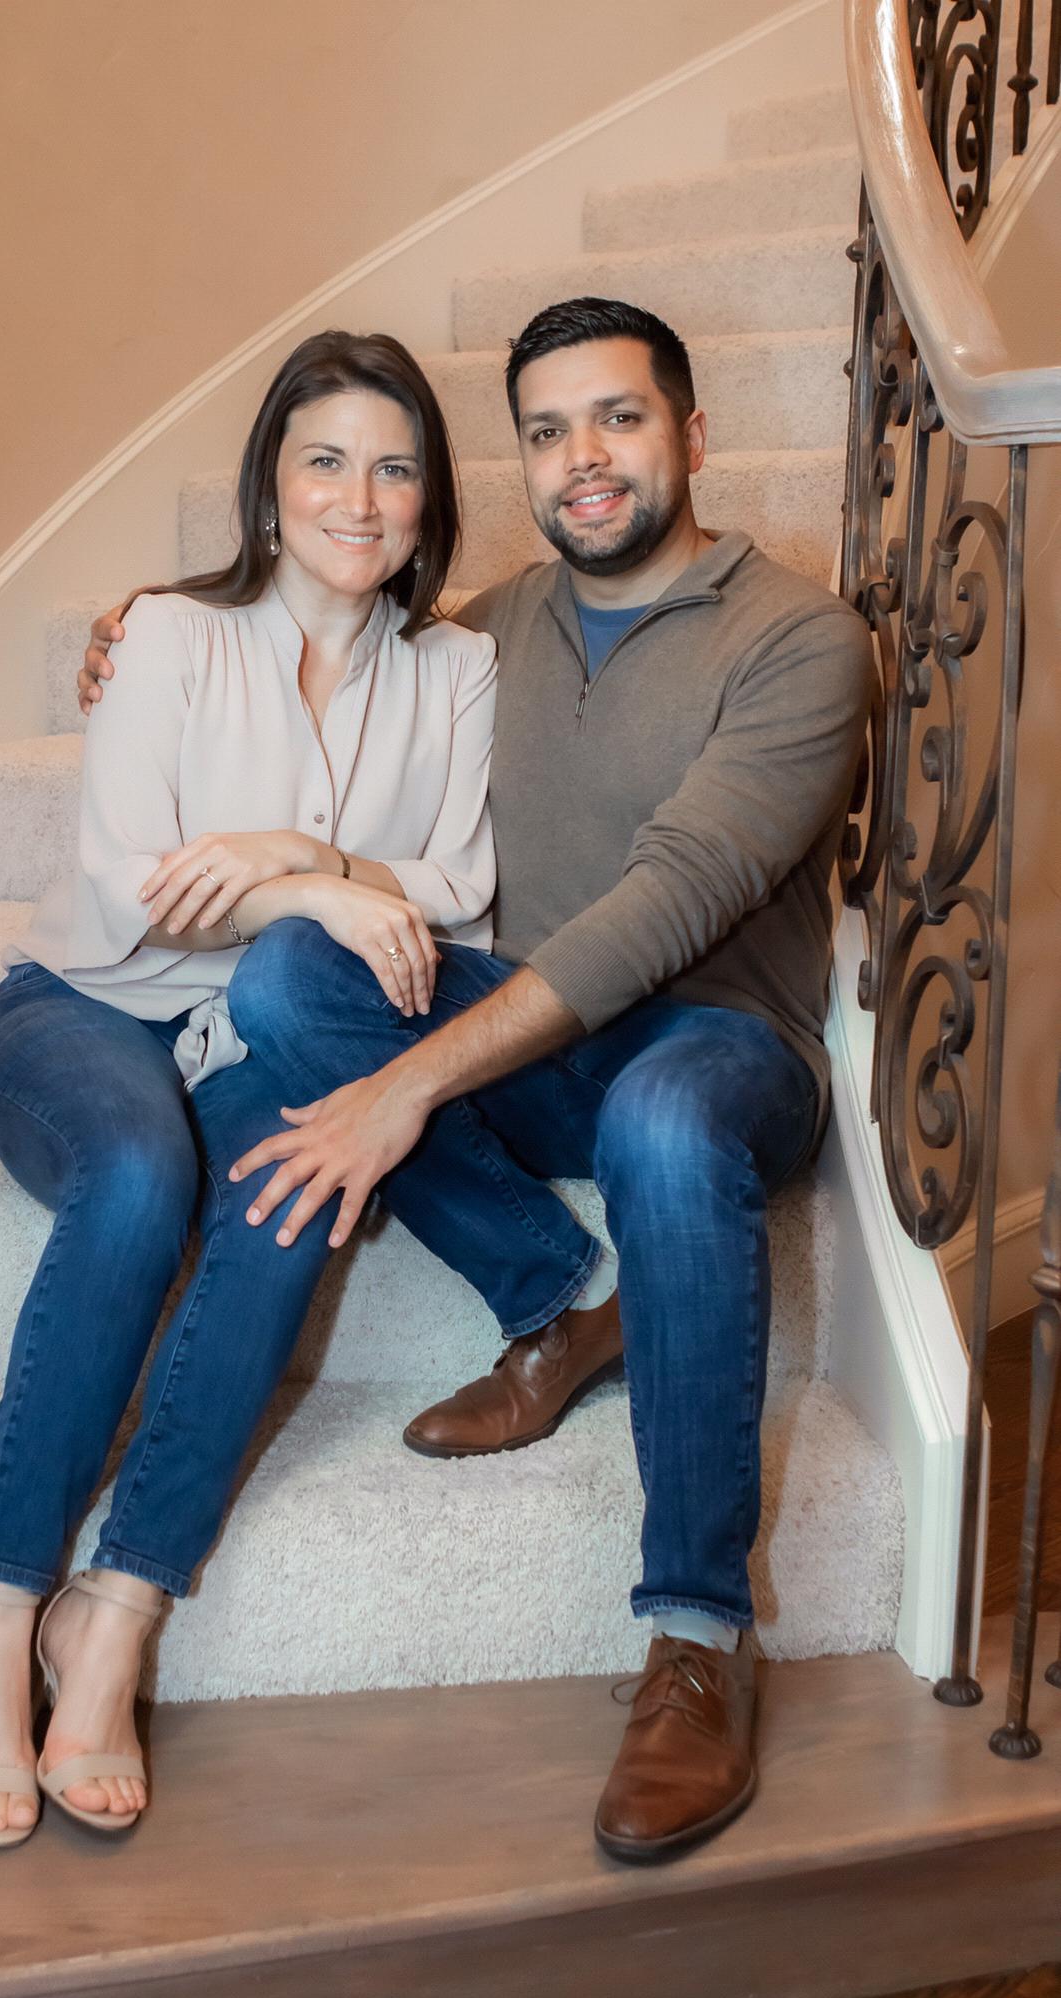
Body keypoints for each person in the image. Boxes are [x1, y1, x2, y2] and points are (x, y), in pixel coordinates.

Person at [80, 297, 873, 1863]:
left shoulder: (802, 640)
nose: (585, 459)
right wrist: (156, 617)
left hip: (721, 1046)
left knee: (660, 1119)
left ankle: (697, 1637)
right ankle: (560, 1303)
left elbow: (666, 905)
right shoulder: (492, 628)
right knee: (292, 976)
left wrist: (406, 1092)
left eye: (620, 417)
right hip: (541, 1032)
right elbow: (320, 607)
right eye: (547, 431)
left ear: (690, 433)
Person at [0, 329, 506, 1847]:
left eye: (394, 467)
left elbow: (460, 886)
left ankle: (113, 1612)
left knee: (292, 1186)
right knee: (139, 1178)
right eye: (325, 461)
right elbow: (134, 890)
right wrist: (318, 897)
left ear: (430, 499)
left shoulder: (460, 668)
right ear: (267, 486)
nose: (358, 498)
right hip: (83, 1010)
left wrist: (291, 855)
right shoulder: (168, 637)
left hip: (253, 1044)